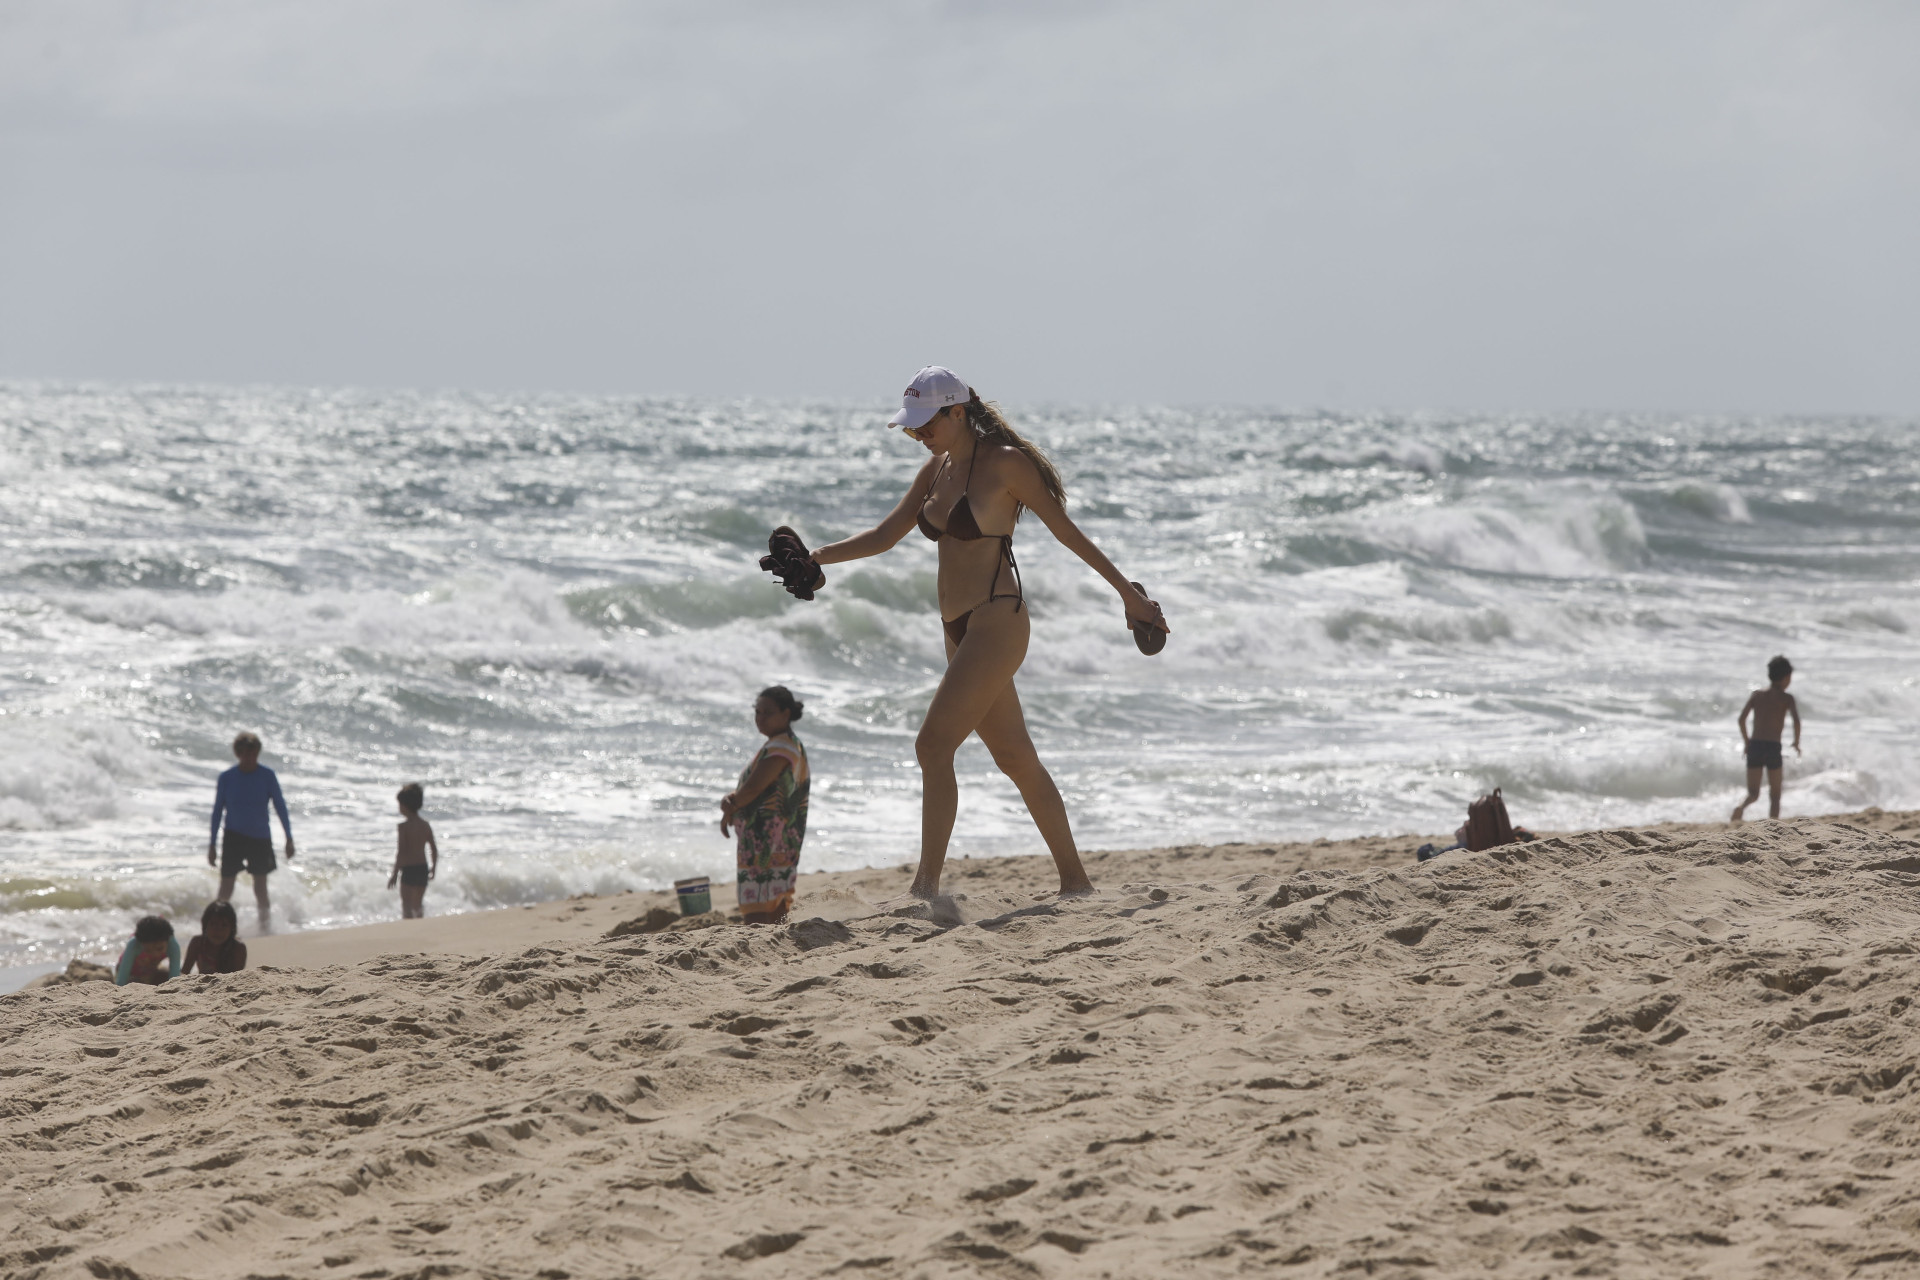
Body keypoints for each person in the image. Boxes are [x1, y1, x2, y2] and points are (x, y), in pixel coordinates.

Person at [763, 366, 1167, 901]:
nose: (919, 435)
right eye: (912, 427)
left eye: (926, 423)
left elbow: (1067, 532)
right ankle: (1077, 883)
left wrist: (1127, 594)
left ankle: (925, 890)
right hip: (957, 628)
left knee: (932, 745)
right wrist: (818, 558)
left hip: (998, 620)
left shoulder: (1006, 464)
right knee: (1016, 758)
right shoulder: (936, 470)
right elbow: (886, 534)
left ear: (958, 412)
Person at [719, 686, 810, 924]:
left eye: (767, 712)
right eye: (757, 712)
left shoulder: (782, 747)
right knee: (774, 898)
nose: (760, 718)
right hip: (776, 838)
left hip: (768, 840)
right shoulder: (783, 743)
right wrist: (734, 800)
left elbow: (754, 788)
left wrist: (731, 805)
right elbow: (761, 787)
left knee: (759, 904)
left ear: (786, 713)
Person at [208, 731, 295, 925]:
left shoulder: (267, 776)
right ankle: (214, 924)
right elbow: (217, 812)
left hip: (260, 837)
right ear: (238, 754)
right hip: (233, 836)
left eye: (253, 754)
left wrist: (289, 837)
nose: (250, 758)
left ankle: (265, 925)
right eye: (246, 754)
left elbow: (280, 806)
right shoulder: (227, 778)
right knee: (226, 886)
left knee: (260, 887)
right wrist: (212, 845)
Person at [1732, 655, 1802, 823]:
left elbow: (1741, 719)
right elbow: (1796, 721)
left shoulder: (1757, 695)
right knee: (1775, 795)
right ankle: (1773, 825)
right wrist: (1796, 742)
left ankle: (1740, 808)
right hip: (1773, 748)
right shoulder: (1786, 698)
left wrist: (1747, 742)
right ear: (1786, 678)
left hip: (1755, 746)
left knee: (1753, 793)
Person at [386, 782, 439, 918]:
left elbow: (401, 852)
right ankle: (419, 926)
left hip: (409, 870)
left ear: (405, 806)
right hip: (422, 868)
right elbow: (433, 848)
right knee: (418, 905)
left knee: (407, 905)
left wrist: (395, 873)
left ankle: (408, 928)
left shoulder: (404, 827)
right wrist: (433, 867)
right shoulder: (425, 825)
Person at [181, 900, 248, 974]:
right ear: (205, 925)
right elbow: (184, 973)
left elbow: (238, 979)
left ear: (231, 928)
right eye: (213, 924)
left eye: (224, 925)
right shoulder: (197, 943)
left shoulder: (238, 948)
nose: (218, 931)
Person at [114, 915, 180, 986]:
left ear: (168, 940)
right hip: (131, 973)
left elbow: (174, 976)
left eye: (159, 949)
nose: (155, 954)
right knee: (133, 983)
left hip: (151, 973)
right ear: (141, 943)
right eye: (148, 950)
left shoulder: (172, 945)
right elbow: (122, 978)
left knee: (169, 978)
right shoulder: (134, 944)